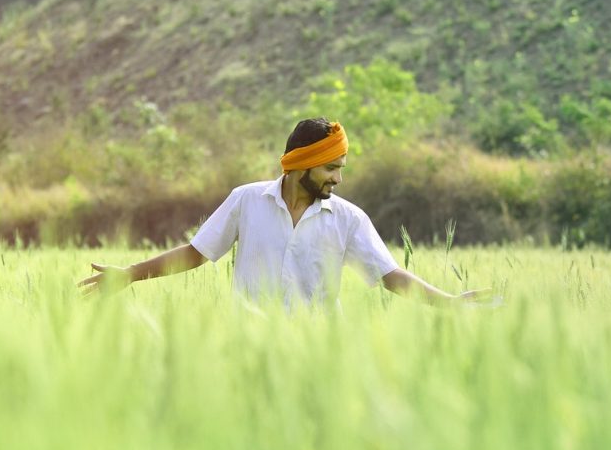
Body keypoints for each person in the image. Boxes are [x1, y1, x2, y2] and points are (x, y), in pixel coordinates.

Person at [79, 118, 488, 309]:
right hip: (249, 349)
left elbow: (390, 275)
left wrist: (449, 302)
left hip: (318, 356)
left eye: (341, 169)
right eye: (331, 168)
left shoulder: (348, 219)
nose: (339, 180)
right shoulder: (246, 200)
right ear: (299, 166)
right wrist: (128, 275)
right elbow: (195, 253)